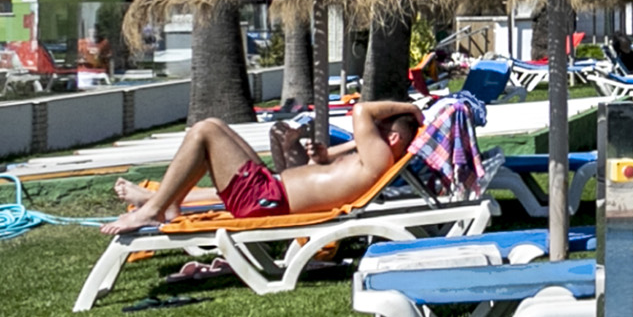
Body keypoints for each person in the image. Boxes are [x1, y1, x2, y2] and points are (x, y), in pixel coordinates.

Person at [104, 97, 427, 237]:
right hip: (269, 191)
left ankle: (154, 209)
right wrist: (321, 156)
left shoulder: (380, 159)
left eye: (381, 129)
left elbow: (361, 110)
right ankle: (169, 202)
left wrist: (410, 108)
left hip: (266, 200)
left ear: (393, 137)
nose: (371, 132)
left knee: (205, 130)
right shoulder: (372, 161)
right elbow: (327, 168)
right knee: (214, 125)